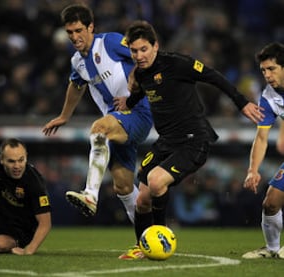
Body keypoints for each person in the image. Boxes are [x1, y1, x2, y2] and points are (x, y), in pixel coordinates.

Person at [121, 20, 264, 259]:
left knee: (156, 182)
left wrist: (241, 103)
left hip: (193, 140)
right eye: (134, 51)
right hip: (166, 142)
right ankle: (142, 246)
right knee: (142, 199)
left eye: (143, 49)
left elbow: (214, 76)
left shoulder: (177, 64)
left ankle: (161, 238)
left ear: (155, 46)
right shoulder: (142, 73)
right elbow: (142, 91)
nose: (139, 55)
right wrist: (129, 102)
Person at [42, 4, 153, 232]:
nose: (74, 37)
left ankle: (90, 195)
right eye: (70, 32)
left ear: (90, 27)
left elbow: (146, 56)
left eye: (79, 30)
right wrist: (64, 116)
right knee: (123, 186)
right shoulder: (77, 61)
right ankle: (148, 237)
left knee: (99, 128)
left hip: (138, 112)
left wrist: (133, 86)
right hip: (117, 124)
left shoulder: (110, 42)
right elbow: (76, 85)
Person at [241, 42, 284, 259]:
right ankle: (272, 249)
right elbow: (261, 137)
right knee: (271, 202)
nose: (267, 75)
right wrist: (253, 169)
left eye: (272, 69)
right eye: (264, 70)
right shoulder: (268, 97)